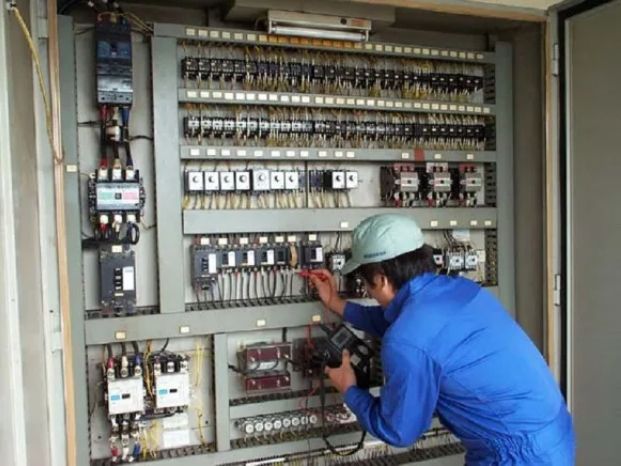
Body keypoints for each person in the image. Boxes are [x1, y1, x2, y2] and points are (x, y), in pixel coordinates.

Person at [308, 214, 575, 465]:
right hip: (552, 432)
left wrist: (350, 391)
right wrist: (336, 303)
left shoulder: (407, 339)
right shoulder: (459, 289)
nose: (368, 291)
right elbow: (405, 325)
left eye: (366, 284)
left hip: (516, 456)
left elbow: (398, 431)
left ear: (381, 279)